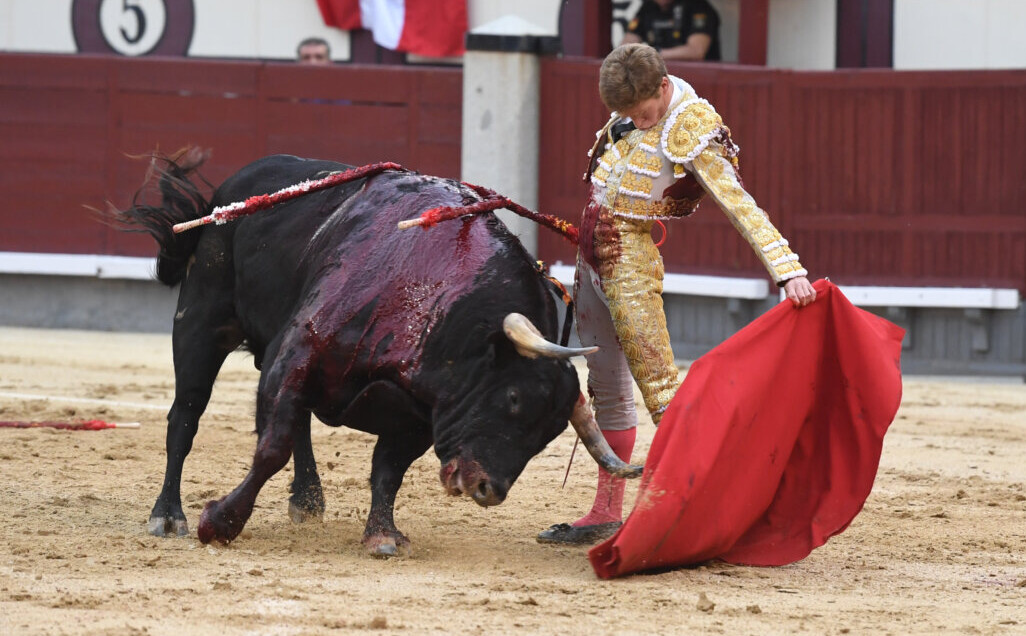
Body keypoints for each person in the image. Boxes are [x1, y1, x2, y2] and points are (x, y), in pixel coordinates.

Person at [537, 43, 816, 545]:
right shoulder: (633, 109)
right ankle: (606, 510)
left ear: (663, 87)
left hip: (630, 261)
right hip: (590, 255)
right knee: (607, 386)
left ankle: (694, 514)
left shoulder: (691, 125)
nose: (638, 123)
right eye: (628, 115)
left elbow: (738, 202)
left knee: (662, 392)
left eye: (644, 113)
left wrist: (787, 269)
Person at [621, 0, 721, 61]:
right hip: (658, 76)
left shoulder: (698, 5)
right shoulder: (648, 7)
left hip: (697, 78)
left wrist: (655, 53)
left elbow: (696, 51)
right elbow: (625, 46)